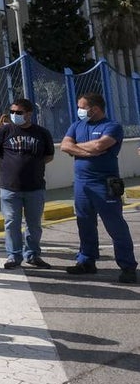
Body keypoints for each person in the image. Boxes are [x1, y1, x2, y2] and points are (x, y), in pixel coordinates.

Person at [60, 93, 136, 283]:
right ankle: (86, 261)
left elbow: (99, 145)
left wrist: (78, 147)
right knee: (84, 223)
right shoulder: (77, 126)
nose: (79, 110)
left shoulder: (112, 126)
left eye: (82, 107)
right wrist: (87, 151)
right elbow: (65, 146)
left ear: (94, 109)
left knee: (115, 225)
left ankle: (127, 266)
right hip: (81, 184)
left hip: (104, 184)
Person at [0, 99, 54, 270]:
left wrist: (33, 166)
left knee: (34, 224)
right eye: (12, 112)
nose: (14, 115)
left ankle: (32, 255)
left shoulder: (42, 133)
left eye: (19, 112)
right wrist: (6, 166)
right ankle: (13, 255)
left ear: (29, 114)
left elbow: (49, 156)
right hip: (10, 187)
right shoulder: (4, 131)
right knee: (11, 222)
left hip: (35, 187)